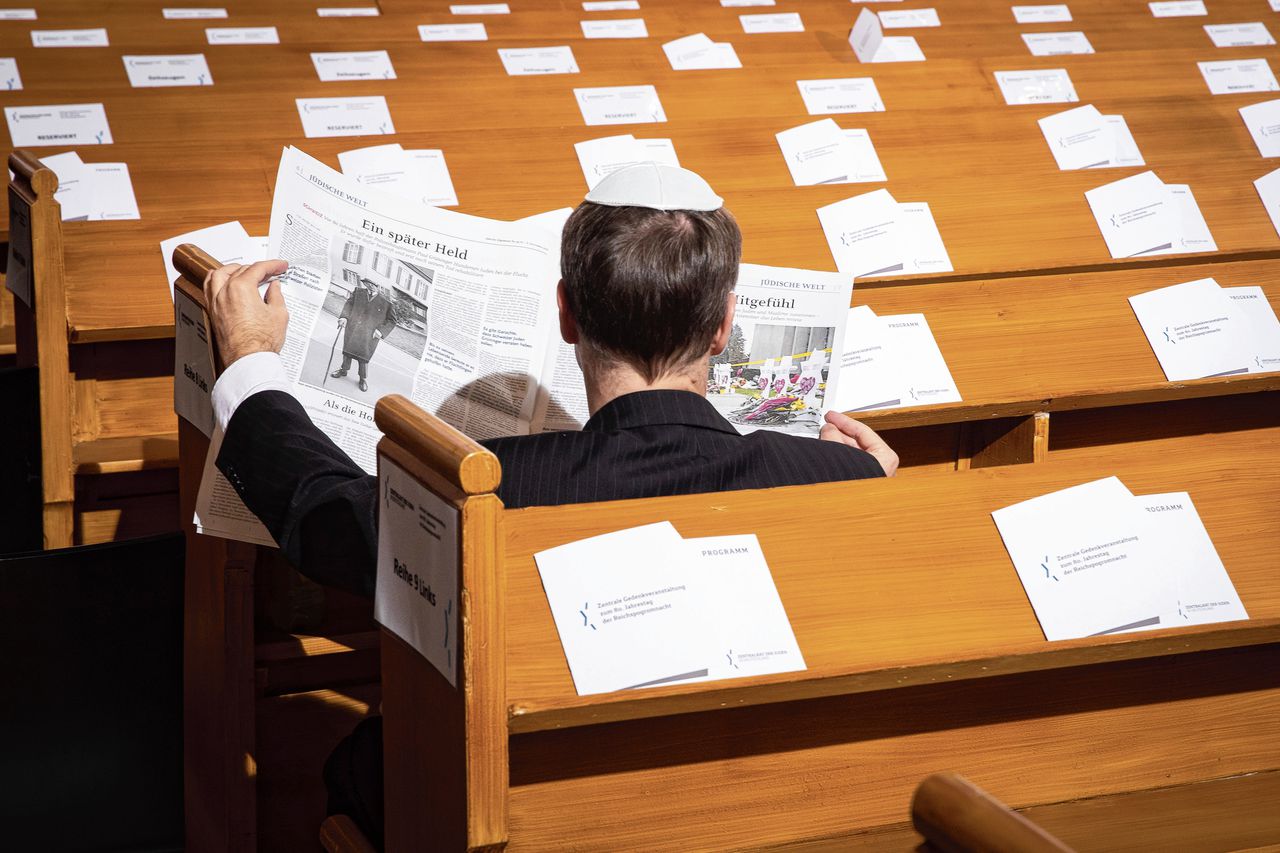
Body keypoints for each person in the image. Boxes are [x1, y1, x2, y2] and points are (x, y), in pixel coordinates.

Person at [202, 163, 898, 847]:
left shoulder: (490, 488)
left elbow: (323, 510)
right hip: (763, 811)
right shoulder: (842, 476)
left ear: (566, 315)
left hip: (533, 819)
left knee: (365, 759)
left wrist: (248, 362)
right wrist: (873, 481)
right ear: (722, 326)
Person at [330, 277, 397, 393]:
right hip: (353, 329)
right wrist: (344, 317)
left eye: (371, 284)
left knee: (363, 358)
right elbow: (348, 305)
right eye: (366, 283)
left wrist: (381, 331)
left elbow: (392, 321)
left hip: (370, 335)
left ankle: (362, 379)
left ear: (378, 287)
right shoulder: (358, 292)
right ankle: (343, 370)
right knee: (347, 352)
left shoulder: (386, 303)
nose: (369, 286)